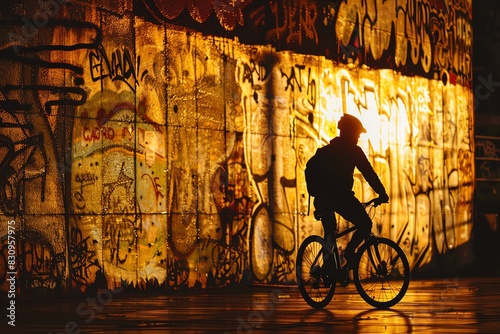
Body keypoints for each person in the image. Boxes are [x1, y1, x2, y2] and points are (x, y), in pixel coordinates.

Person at [314, 114, 389, 270]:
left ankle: (329, 271)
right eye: (356, 134)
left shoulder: (327, 151)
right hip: (339, 198)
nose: (357, 138)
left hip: (324, 199)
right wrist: (382, 194)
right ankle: (348, 253)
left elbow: (369, 174)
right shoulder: (354, 151)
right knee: (365, 224)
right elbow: (369, 174)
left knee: (330, 233)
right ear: (348, 132)